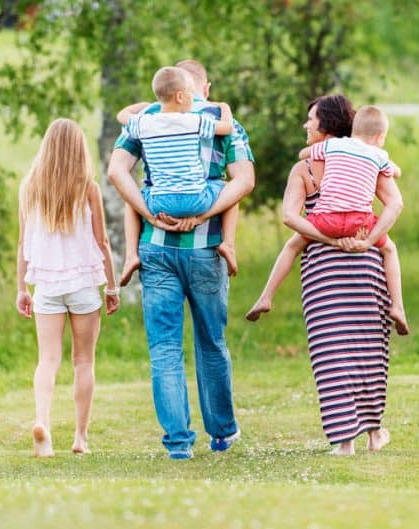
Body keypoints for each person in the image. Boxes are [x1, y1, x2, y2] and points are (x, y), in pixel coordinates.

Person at [107, 59, 254, 460]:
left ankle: (177, 443)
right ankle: (221, 432)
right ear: (202, 86)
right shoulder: (222, 123)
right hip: (206, 247)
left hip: (156, 245)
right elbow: (244, 181)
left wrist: (149, 212)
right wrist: (205, 215)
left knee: (165, 348)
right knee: (211, 341)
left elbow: (117, 171)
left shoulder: (149, 119)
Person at [281, 95, 402, 455]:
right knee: (368, 352)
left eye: (311, 119)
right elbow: (394, 203)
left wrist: (325, 237)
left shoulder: (305, 167)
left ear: (327, 125)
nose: (306, 125)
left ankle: (345, 439)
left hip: (323, 270)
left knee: (331, 354)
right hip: (364, 260)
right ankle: (372, 432)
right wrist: (371, 238)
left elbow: (291, 220)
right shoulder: (372, 159)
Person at [247, 105, 410, 336]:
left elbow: (304, 154)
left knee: (292, 246)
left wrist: (323, 152)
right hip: (359, 222)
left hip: (326, 219)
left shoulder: (332, 146)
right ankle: (399, 307)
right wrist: (368, 241)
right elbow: (397, 173)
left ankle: (266, 297)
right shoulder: (379, 155)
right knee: (390, 250)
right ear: (380, 137)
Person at [15, 118, 120, 457]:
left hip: (45, 284)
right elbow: (102, 241)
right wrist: (113, 286)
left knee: (47, 360)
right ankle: (80, 437)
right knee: (83, 361)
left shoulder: (30, 187)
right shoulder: (87, 187)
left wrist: (21, 288)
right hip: (83, 285)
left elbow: (22, 243)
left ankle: (42, 421)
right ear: (78, 148)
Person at [115, 66, 239, 278]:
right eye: (191, 93)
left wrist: (144, 106)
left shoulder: (144, 123)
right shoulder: (192, 121)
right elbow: (226, 127)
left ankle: (130, 255)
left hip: (158, 204)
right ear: (180, 96)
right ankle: (228, 244)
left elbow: (121, 115)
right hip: (196, 201)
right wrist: (224, 106)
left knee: (132, 197)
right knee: (230, 188)